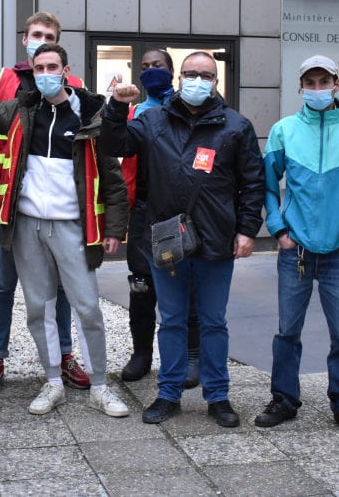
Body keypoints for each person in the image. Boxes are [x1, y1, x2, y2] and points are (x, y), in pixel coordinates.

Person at [0, 43, 130, 417]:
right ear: (32, 72)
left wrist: (115, 228)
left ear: (66, 70)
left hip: (72, 227)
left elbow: (113, 178)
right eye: (39, 68)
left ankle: (101, 386)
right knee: (39, 308)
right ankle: (53, 381)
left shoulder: (89, 115)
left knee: (87, 307)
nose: (45, 73)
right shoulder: (22, 108)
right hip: (27, 227)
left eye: (52, 67)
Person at [103, 51, 265, 428]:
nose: (196, 80)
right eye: (190, 73)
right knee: (172, 320)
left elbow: (253, 183)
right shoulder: (153, 120)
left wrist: (246, 230)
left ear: (215, 81)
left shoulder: (236, 127)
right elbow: (114, 145)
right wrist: (115, 107)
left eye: (204, 75)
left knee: (213, 321)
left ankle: (218, 396)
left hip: (216, 240)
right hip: (167, 241)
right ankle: (169, 393)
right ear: (179, 79)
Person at [0, 14, 90, 395]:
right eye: (36, 35)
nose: (41, 41)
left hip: (59, 206)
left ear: (60, 47)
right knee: (5, 281)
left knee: (57, 286)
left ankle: (64, 356)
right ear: (25, 37)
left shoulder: (75, 86)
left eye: (49, 37)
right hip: (9, 196)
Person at [257, 54, 339, 437]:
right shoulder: (284, 130)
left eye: (322, 82)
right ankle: (284, 399)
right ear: (300, 87)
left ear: (336, 84)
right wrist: (279, 232)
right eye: (309, 83)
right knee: (286, 332)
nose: (316, 89)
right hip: (296, 251)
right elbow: (267, 185)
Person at [118, 49, 201, 385]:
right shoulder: (136, 112)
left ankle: (191, 356)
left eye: (159, 67)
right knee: (141, 287)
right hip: (144, 212)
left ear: (173, 72)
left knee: (188, 285)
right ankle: (141, 354)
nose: (151, 72)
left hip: (182, 212)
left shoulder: (189, 108)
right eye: (145, 67)